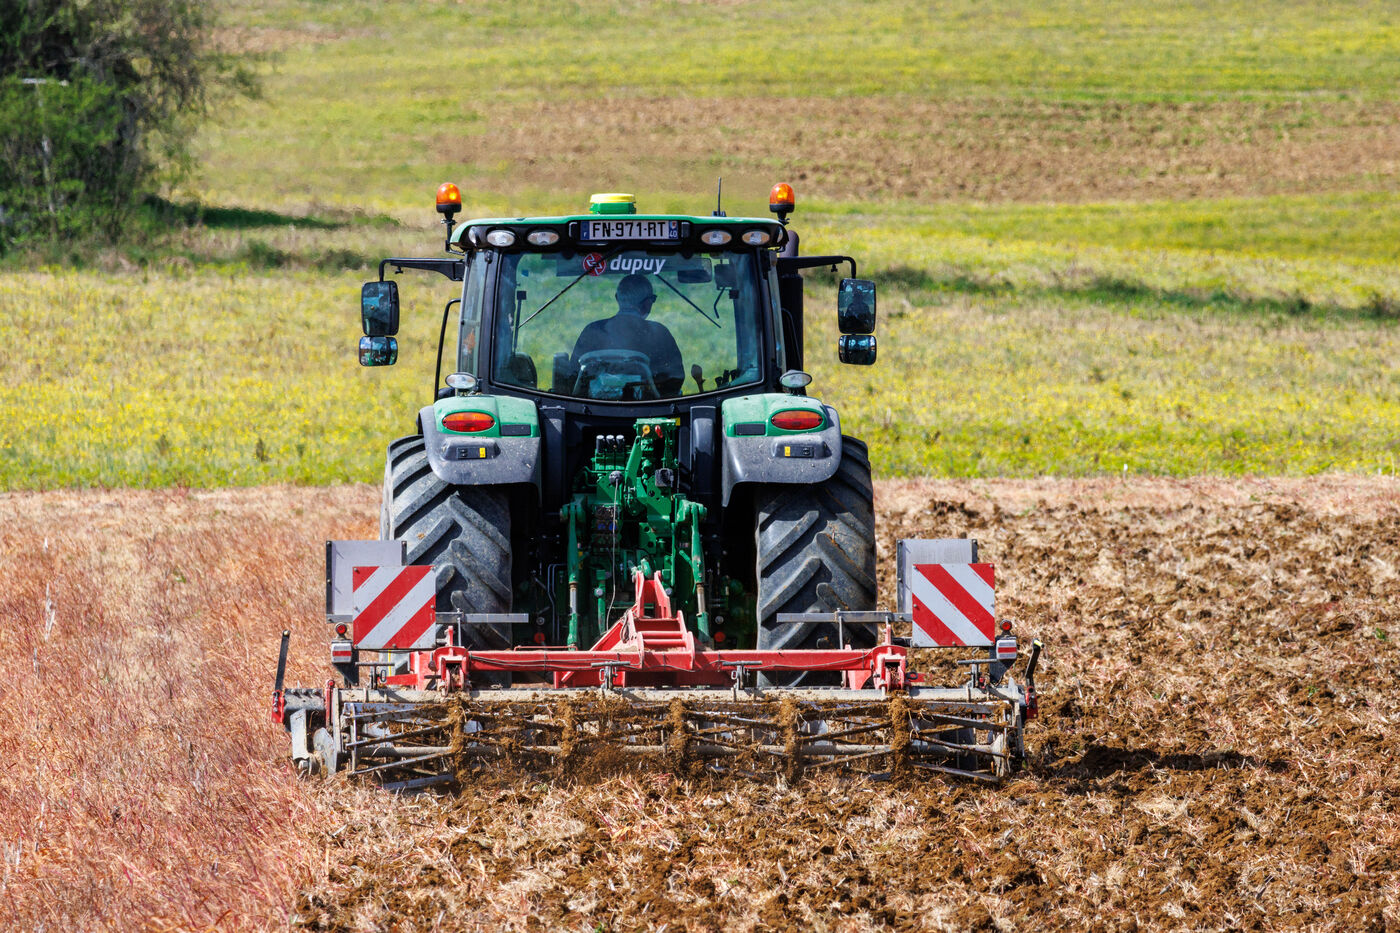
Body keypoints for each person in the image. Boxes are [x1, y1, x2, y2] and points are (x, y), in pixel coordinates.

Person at [570, 273, 685, 395]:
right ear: (648, 303)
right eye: (653, 299)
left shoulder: (592, 330)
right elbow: (675, 380)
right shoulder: (660, 333)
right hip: (648, 406)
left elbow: (572, 376)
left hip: (592, 405)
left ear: (617, 298)